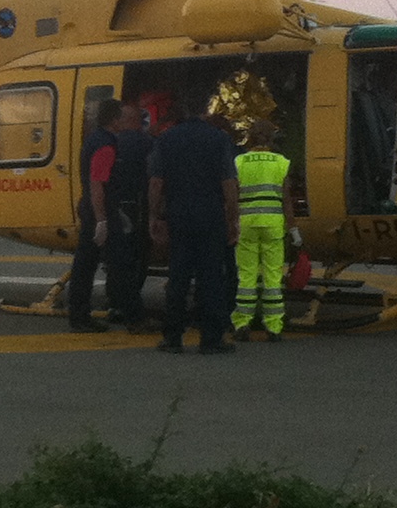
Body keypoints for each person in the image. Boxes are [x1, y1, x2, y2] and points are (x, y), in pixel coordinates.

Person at [148, 102, 241, 355]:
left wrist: (155, 216)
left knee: (178, 276)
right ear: (204, 113)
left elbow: (156, 183)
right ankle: (211, 338)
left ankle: (173, 337)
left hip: (179, 215)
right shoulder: (218, 139)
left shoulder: (166, 139)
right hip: (210, 215)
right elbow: (229, 184)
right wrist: (232, 220)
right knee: (211, 277)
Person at [65, 97, 125, 331]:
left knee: (85, 265)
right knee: (114, 263)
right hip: (100, 212)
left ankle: (79, 315)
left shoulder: (94, 140)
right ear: (113, 119)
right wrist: (102, 220)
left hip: (91, 209)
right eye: (121, 117)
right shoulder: (106, 145)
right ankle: (127, 312)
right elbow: (97, 183)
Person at [230, 117, 292, 340]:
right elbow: (286, 200)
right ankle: (273, 327)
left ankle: (242, 324)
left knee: (246, 276)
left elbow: (233, 195)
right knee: (272, 277)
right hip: (273, 225)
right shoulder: (281, 162)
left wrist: (231, 222)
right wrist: (293, 229)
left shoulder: (239, 162)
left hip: (246, 224)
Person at [96, 101, 155, 327]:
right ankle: (131, 310)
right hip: (137, 207)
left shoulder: (110, 142)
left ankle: (115, 303)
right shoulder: (146, 143)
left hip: (115, 208)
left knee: (117, 259)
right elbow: (155, 176)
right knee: (137, 258)